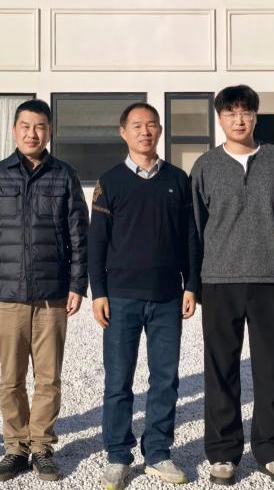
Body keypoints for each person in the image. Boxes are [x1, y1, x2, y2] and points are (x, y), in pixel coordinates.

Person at [190, 85, 274, 486]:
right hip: (219, 280)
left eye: (246, 112)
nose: (239, 120)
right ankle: (223, 453)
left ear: (256, 116)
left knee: (273, 368)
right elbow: (195, 228)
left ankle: (272, 451)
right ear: (220, 118)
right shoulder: (205, 166)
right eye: (231, 113)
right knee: (221, 369)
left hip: (271, 277)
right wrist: (194, 281)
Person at [0, 98, 89, 483]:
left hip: (52, 294)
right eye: (25, 126)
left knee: (48, 377)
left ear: (49, 131)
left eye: (39, 126)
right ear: (14, 130)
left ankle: (41, 446)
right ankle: (15, 448)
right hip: (7, 294)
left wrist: (77, 284)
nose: (32, 133)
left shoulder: (64, 175)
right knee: (11, 378)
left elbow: (79, 234)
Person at [88, 103, 201, 490]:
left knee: (165, 379)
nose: (145, 131)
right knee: (118, 381)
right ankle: (118, 455)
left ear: (160, 130)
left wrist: (191, 284)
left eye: (151, 124)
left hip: (167, 296)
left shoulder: (177, 179)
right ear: (123, 132)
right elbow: (97, 242)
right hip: (121, 297)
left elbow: (189, 237)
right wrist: (98, 292)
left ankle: (157, 452)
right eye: (137, 125)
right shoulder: (110, 181)